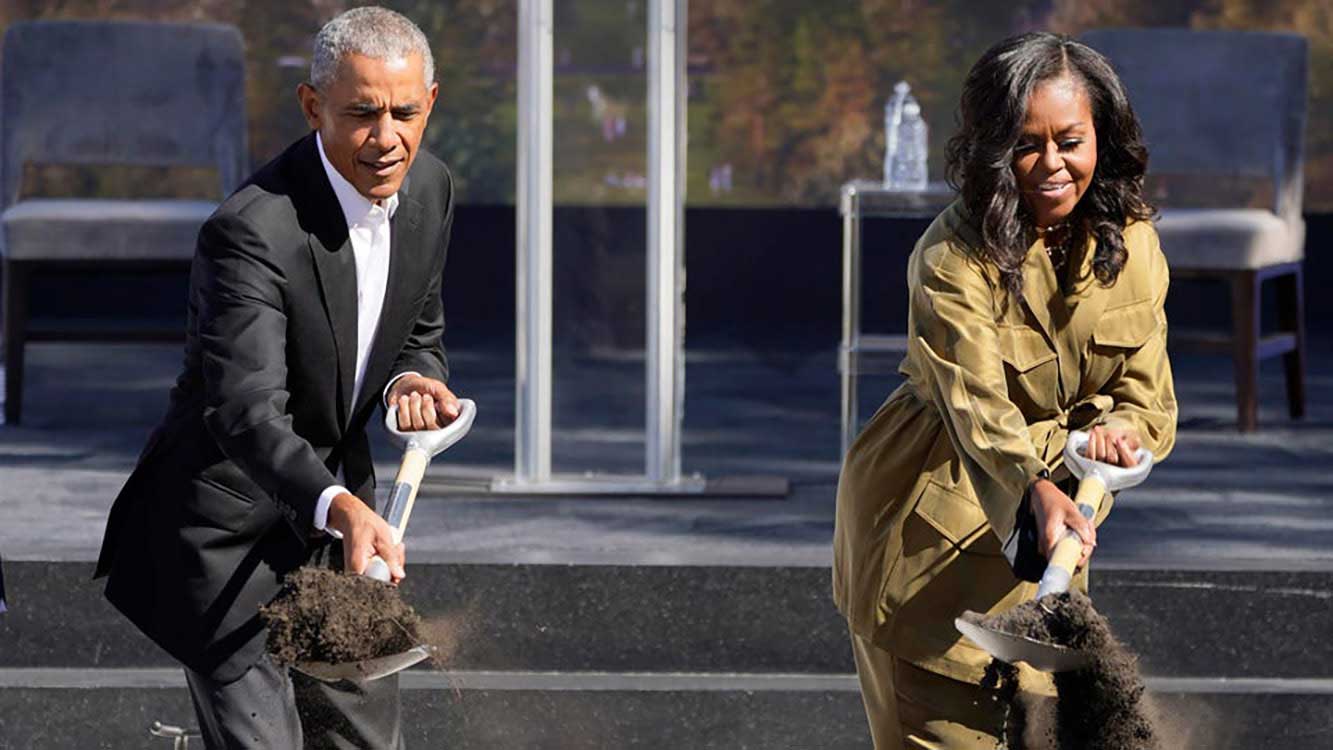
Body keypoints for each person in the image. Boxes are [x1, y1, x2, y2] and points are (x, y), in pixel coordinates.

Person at [95, 7, 460, 748]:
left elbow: (416, 329)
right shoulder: (249, 231)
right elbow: (246, 412)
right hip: (223, 534)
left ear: (431, 102)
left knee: (362, 741)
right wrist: (345, 509)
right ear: (311, 105)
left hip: (334, 529)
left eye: (404, 112)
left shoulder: (430, 191)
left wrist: (411, 380)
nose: (385, 138)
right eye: (360, 114)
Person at [832, 32, 1177, 748]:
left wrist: (1120, 437)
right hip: (929, 547)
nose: (1052, 166)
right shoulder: (948, 258)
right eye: (1026, 144)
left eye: (1071, 141)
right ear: (992, 150)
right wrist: (1033, 483)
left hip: (1049, 553)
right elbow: (976, 409)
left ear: (1101, 140)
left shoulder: (1133, 245)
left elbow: (1147, 399)